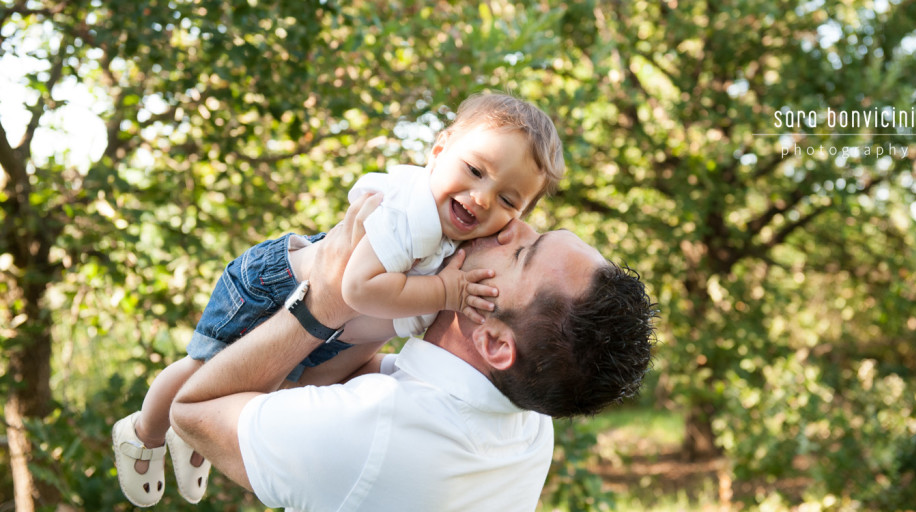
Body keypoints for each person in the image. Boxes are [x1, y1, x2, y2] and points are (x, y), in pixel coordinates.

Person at [111, 93, 566, 507]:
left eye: (508, 199)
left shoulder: (458, 235)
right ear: (440, 148)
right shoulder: (409, 215)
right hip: (278, 292)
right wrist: (445, 291)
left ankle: (199, 436)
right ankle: (144, 433)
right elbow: (356, 288)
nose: (482, 198)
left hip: (332, 329)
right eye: (474, 170)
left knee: (255, 388)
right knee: (204, 370)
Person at [168, 193, 657, 511]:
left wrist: (325, 304)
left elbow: (192, 410)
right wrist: (395, 298)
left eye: (520, 253)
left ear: (493, 342)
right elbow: (322, 385)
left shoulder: (378, 430)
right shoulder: (528, 423)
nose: (511, 224)